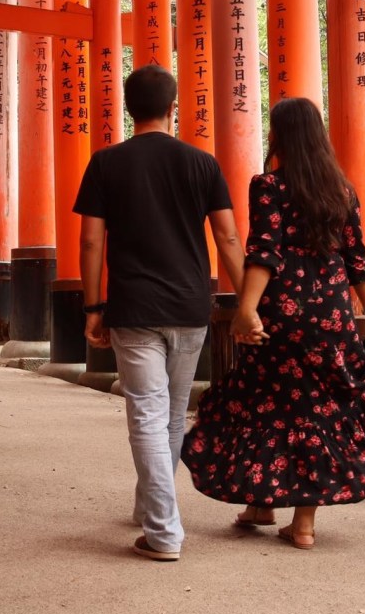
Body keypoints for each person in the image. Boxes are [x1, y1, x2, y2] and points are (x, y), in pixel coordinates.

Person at [183, 97, 365, 550]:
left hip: (283, 313)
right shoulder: (342, 191)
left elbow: (264, 251)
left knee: (265, 403)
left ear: (280, 135)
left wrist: (247, 308)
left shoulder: (269, 186)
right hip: (333, 317)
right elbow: (358, 259)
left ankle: (262, 501)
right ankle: (298, 521)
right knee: (321, 409)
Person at [73, 64, 246, 562]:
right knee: (170, 414)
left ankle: (164, 531)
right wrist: (248, 302)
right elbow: (228, 237)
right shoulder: (202, 163)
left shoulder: (106, 163)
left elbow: (91, 241)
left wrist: (92, 306)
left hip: (134, 307)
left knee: (147, 415)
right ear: (173, 108)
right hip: (191, 305)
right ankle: (155, 507)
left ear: (129, 109)